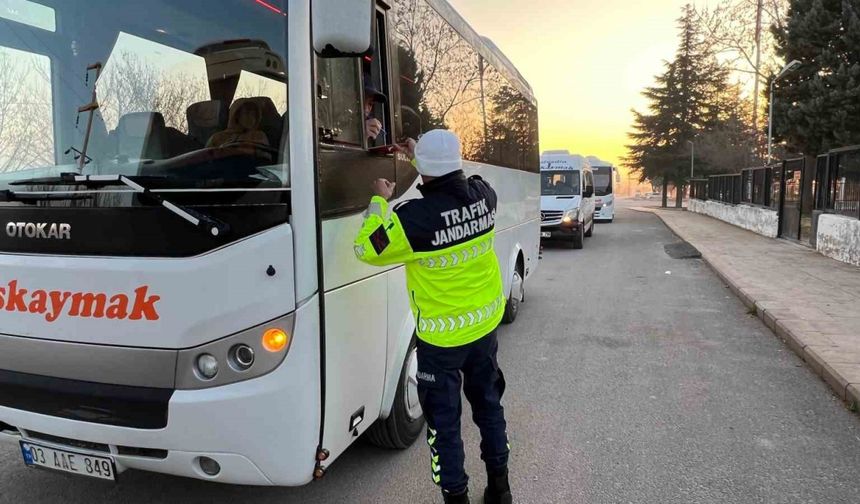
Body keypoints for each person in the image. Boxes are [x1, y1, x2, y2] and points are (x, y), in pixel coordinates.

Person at [353, 130, 512, 504]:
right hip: (485, 330)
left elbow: (366, 247)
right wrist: (420, 158)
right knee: (490, 408)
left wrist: (379, 199)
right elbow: (458, 178)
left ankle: (456, 497)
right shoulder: (484, 195)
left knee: (444, 426)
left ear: (424, 169)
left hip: (442, 342)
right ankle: (500, 489)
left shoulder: (411, 221)